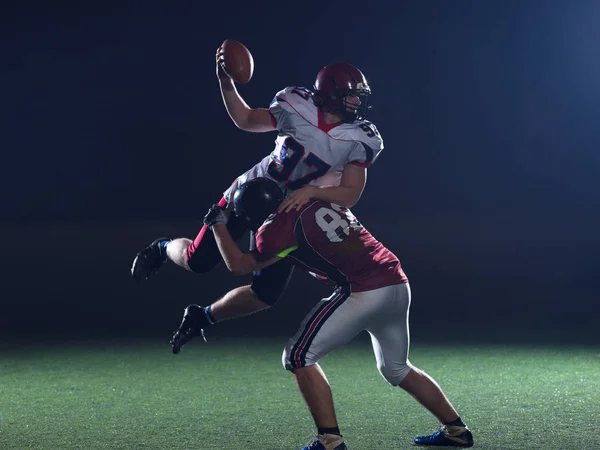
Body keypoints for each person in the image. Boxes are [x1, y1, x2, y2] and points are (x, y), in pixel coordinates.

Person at [171, 178, 474, 449]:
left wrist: (217, 225)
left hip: (361, 290)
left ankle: (330, 441)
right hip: (396, 282)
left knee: (298, 356)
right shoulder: (313, 198)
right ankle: (457, 430)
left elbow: (239, 265)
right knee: (395, 368)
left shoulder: (276, 229)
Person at [130, 45, 384, 317]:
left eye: (359, 97)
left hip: (288, 212)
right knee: (197, 260)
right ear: (332, 96)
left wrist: (311, 192)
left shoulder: (360, 137)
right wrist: (225, 82)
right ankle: (163, 247)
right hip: (250, 194)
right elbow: (246, 119)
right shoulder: (297, 105)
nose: (358, 103)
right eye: (352, 96)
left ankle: (202, 316)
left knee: (265, 294)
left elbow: (350, 194)